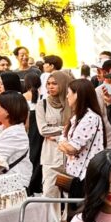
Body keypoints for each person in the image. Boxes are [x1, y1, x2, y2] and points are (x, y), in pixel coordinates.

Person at [57, 79, 106, 202]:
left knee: (81, 214)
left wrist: (63, 142)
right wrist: (64, 143)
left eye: (69, 92)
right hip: (75, 175)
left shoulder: (90, 118)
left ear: (77, 94)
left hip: (85, 176)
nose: (67, 96)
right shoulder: (77, 118)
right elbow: (66, 144)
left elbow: (72, 148)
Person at [35, 70, 71, 201]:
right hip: (50, 158)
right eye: (48, 84)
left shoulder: (71, 103)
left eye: (55, 83)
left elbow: (76, 128)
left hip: (69, 159)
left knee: (69, 197)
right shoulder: (42, 104)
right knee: (50, 195)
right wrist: (65, 129)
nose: (50, 87)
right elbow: (43, 130)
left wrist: (55, 134)